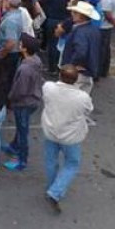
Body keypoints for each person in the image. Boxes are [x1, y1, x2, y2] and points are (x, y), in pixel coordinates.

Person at [41, 65, 93, 213]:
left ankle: (52, 187)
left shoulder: (48, 88)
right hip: (71, 137)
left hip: (51, 131)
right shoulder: (82, 97)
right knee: (72, 163)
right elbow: (89, 110)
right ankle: (55, 191)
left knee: (51, 161)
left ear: (60, 76)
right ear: (76, 80)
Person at [3, 34, 43, 171]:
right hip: (33, 99)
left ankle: (22, 160)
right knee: (21, 127)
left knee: (22, 130)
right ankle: (13, 146)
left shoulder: (25, 69)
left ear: (25, 49)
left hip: (24, 103)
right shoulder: (35, 60)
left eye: (21, 43)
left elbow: (20, 90)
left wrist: (10, 97)